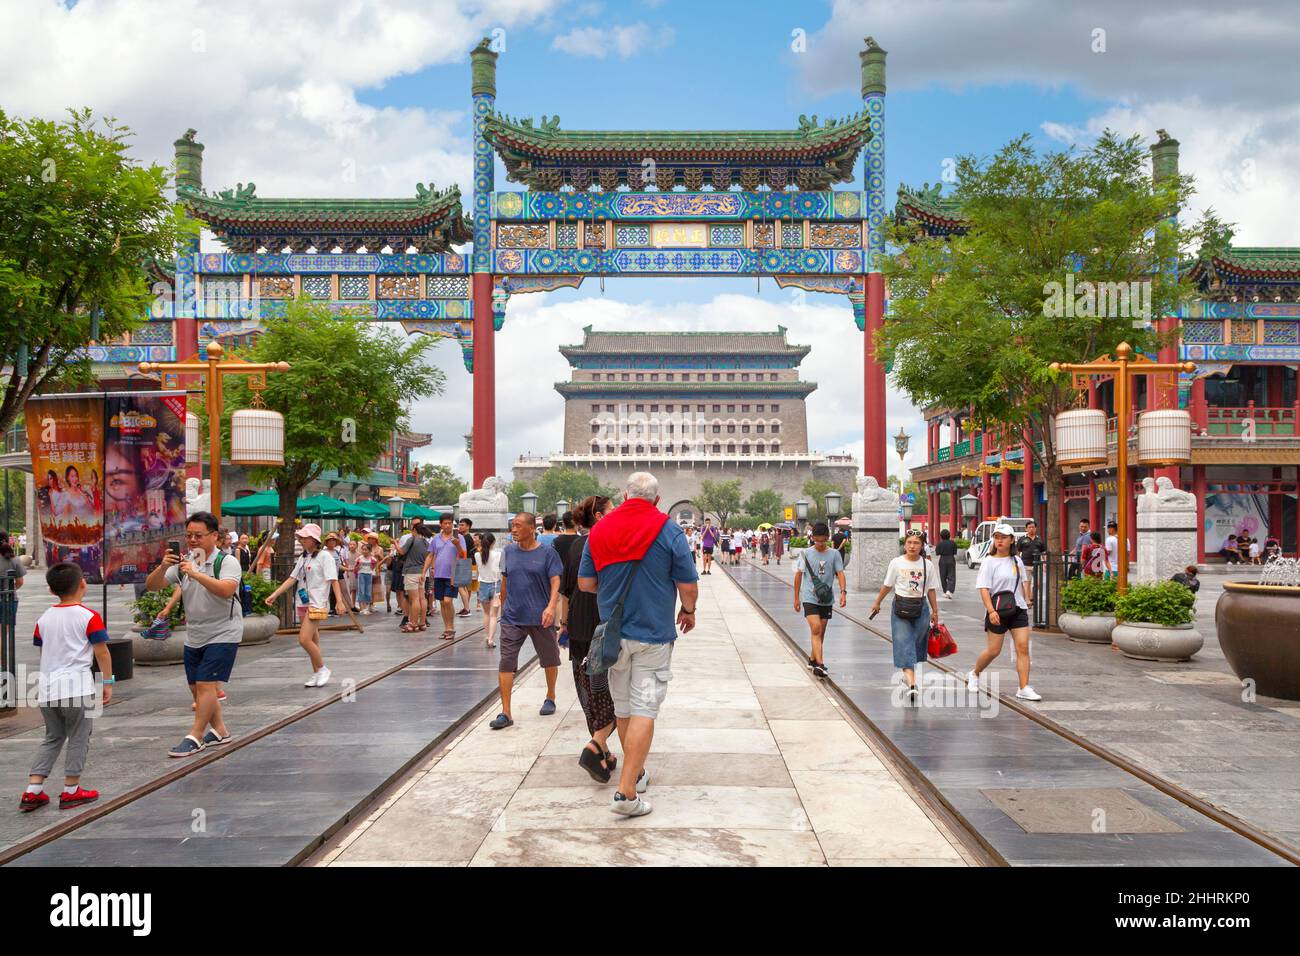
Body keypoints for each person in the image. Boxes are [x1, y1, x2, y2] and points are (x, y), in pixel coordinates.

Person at [578, 473, 698, 817]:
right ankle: (626, 792)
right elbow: (688, 586)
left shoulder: (599, 530)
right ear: (658, 500)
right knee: (645, 708)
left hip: (613, 637)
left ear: (624, 494)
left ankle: (637, 773)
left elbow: (586, 582)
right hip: (653, 635)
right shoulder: (669, 530)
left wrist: (612, 589)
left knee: (625, 708)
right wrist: (688, 611)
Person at [146, 510, 243, 756]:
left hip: (224, 630)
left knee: (206, 684)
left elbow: (226, 590)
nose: (192, 540)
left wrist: (197, 573)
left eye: (198, 536)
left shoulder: (226, 561)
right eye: (188, 535)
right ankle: (220, 730)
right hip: (195, 633)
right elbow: (152, 586)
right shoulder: (183, 562)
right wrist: (162, 567)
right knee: (195, 688)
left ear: (214, 537)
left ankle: (196, 736)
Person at [19, 562, 113, 812]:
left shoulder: (44, 619)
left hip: (48, 689)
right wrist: (107, 682)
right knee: (79, 737)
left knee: (52, 737)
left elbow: (43, 651)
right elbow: (102, 652)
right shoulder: (89, 617)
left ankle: (33, 789)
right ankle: (71, 790)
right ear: (83, 584)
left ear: (51, 590)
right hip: (78, 688)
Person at [562, 495, 623, 782]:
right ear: (599, 516)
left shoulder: (575, 545)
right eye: (612, 510)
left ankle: (605, 754)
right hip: (599, 626)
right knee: (608, 692)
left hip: (577, 625)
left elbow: (566, 591)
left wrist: (563, 624)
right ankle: (596, 743)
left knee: (587, 692)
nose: (617, 513)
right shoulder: (604, 543)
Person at [489, 511, 564, 730]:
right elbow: (505, 581)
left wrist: (551, 607)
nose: (514, 530)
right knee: (506, 662)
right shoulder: (509, 552)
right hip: (513, 617)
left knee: (550, 659)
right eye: (512, 526)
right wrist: (504, 609)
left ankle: (550, 695)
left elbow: (556, 581)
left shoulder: (548, 553)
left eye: (518, 525)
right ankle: (506, 712)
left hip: (540, 616)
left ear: (532, 528)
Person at [264, 523, 345, 689]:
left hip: (317, 602)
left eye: (304, 537)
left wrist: (339, 601)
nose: (301, 540)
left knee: (304, 639)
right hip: (302, 601)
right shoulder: (303, 557)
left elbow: (333, 580)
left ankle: (322, 669)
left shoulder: (325, 557)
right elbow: (292, 579)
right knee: (313, 640)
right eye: (301, 537)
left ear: (314, 540)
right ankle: (317, 672)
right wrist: (274, 594)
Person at [967, 524, 1039, 701]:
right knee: (994, 651)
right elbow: (984, 588)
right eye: (997, 537)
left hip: (1018, 609)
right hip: (997, 610)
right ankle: (975, 673)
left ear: (1012, 540)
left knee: (1022, 647)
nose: (999, 540)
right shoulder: (989, 562)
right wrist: (990, 611)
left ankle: (1023, 687)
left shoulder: (1017, 561)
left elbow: (1024, 581)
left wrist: (1027, 599)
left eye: (1004, 537)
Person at [869, 529, 940, 703]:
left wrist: (935, 611)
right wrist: (877, 602)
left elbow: (931, 589)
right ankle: (913, 684)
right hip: (901, 607)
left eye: (916, 543)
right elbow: (887, 585)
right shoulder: (896, 563)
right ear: (904, 544)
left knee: (915, 645)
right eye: (909, 542)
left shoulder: (927, 565)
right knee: (904, 643)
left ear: (922, 546)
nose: (912, 546)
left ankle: (908, 677)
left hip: (920, 608)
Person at [793, 522, 846, 679]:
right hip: (809, 597)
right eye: (817, 541)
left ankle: (812, 659)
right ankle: (820, 665)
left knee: (820, 632)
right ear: (812, 538)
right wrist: (796, 597)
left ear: (828, 538)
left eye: (823, 541)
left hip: (826, 598)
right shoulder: (806, 553)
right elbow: (798, 575)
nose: (820, 544)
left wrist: (843, 592)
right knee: (816, 628)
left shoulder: (835, 554)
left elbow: (840, 573)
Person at [425, 513, 466, 639]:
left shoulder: (459, 537)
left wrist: (457, 544)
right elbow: (430, 555)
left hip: (452, 574)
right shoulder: (436, 538)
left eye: (450, 523)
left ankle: (451, 627)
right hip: (439, 574)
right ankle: (447, 628)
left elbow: (463, 555)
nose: (448, 525)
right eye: (445, 523)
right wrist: (424, 571)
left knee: (448, 601)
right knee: (442, 602)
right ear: (441, 525)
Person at [398, 523, 429, 632]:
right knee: (422, 598)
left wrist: (395, 544)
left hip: (411, 572)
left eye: (412, 530)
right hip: (421, 572)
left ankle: (413, 623)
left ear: (415, 530)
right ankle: (422, 622)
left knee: (414, 599)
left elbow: (401, 552)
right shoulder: (426, 542)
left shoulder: (412, 539)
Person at [475, 531, 503, 648]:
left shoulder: (477, 555)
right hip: (496, 585)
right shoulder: (499, 554)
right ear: (493, 542)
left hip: (483, 585)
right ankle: (491, 639)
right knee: (493, 615)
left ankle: (487, 636)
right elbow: (502, 570)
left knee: (486, 613)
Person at [455, 517, 476, 617]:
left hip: (464, 563)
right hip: (466, 563)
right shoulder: (465, 537)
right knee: (464, 587)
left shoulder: (466, 538)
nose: (460, 527)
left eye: (462, 525)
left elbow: (462, 552)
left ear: (468, 527)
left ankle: (467, 608)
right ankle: (466, 607)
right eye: (459, 524)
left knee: (461, 586)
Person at [935, 528, 958, 599]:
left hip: (942, 559)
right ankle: (949, 591)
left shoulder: (939, 543)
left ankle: (945, 591)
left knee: (943, 576)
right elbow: (955, 552)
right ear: (949, 535)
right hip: (951, 559)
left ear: (941, 536)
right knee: (951, 576)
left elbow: (937, 553)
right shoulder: (953, 543)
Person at [355, 542, 377, 614]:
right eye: (363, 550)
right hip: (361, 574)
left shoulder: (372, 559)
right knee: (361, 590)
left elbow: (373, 567)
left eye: (366, 550)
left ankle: (366, 608)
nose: (364, 551)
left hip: (369, 575)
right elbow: (356, 568)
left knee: (368, 591)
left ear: (370, 551)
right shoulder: (359, 558)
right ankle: (362, 608)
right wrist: (359, 565)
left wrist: (372, 565)